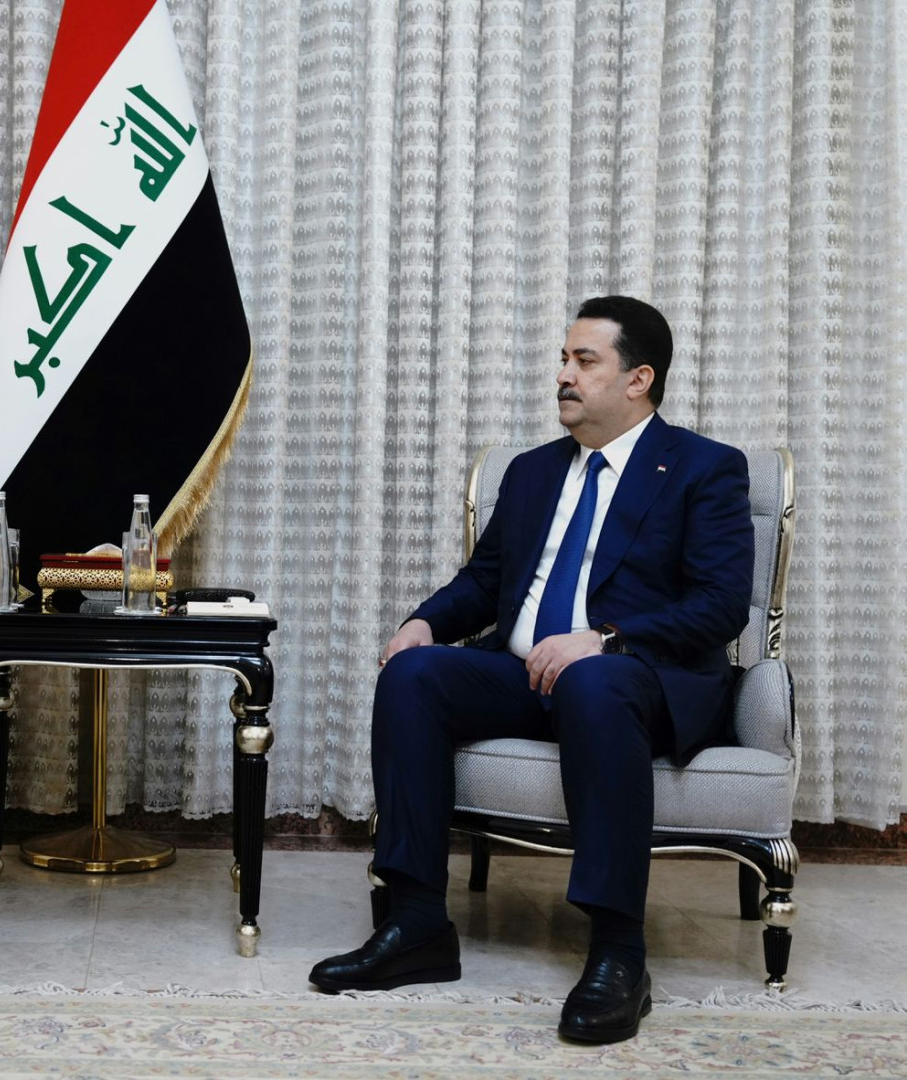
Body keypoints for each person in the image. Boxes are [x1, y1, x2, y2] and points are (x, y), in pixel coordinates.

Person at [309, 296, 753, 1044]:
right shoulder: (534, 470)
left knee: (593, 679)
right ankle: (417, 925)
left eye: (584, 361)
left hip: (633, 680)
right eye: (563, 359)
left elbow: (720, 606)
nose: (563, 375)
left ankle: (619, 952)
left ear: (639, 379)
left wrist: (603, 638)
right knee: (413, 676)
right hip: (524, 674)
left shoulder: (704, 469)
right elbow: (485, 581)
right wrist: (423, 622)